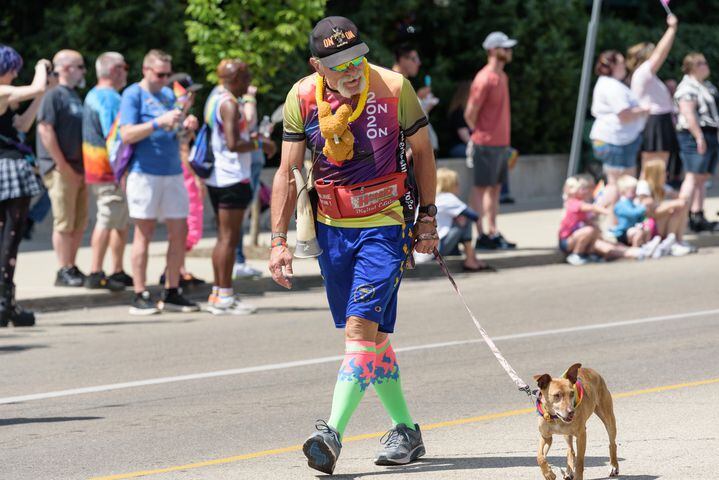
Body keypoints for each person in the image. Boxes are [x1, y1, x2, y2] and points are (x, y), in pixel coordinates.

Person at [269, 16, 437, 474]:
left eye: (357, 58)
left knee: (359, 333)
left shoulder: (394, 86)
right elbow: (287, 171)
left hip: (385, 226)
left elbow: (422, 152)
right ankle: (406, 429)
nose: (352, 70)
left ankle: (331, 434)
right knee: (375, 338)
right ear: (317, 65)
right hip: (330, 228)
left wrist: (427, 218)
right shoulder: (301, 97)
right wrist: (278, 241)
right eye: (340, 64)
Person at [118, 49, 200, 315]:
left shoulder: (167, 95)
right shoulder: (133, 94)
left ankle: (172, 290)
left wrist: (185, 125)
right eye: (160, 74)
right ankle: (140, 293)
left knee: (180, 231)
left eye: (168, 74)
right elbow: (127, 134)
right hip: (144, 173)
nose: (165, 79)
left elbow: (174, 133)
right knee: (144, 233)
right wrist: (157, 122)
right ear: (145, 70)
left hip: (172, 171)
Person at [204, 59, 275, 315]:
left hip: (219, 177)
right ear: (234, 80)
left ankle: (218, 294)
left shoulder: (215, 97)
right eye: (245, 78)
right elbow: (233, 144)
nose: (249, 83)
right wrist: (261, 144)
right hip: (232, 177)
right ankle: (224, 295)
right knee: (228, 238)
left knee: (224, 238)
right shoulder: (230, 104)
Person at [0, 45, 53, 326]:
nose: (14, 74)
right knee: (8, 238)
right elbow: (34, 87)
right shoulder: (0, 91)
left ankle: (7, 301)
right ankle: (4, 303)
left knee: (11, 237)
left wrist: (40, 91)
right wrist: (41, 68)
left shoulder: (7, 96)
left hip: (9, 168)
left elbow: (22, 122)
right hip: (6, 169)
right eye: (13, 69)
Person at [36, 49, 88, 287]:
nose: (83, 71)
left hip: (79, 168)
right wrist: (62, 165)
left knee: (78, 222)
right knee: (64, 221)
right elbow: (45, 130)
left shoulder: (74, 95)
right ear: (66, 68)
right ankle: (63, 269)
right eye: (79, 66)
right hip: (61, 169)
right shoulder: (53, 95)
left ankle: (72, 266)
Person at [82, 51, 131, 291]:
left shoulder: (94, 94)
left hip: (100, 168)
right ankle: (96, 271)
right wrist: (122, 171)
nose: (127, 72)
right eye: (124, 67)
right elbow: (115, 138)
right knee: (108, 217)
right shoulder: (109, 98)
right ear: (113, 70)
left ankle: (117, 270)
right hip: (108, 170)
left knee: (118, 220)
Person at [464, 31, 518, 250]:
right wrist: (479, 135)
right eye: (505, 48)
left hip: (500, 143)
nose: (509, 51)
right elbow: (470, 113)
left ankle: (493, 232)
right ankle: (479, 234)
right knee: (480, 188)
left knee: (495, 189)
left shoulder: (502, 76)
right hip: (484, 143)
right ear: (493, 50)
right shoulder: (484, 78)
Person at [589, 50, 650, 210]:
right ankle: (598, 214)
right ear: (614, 66)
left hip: (617, 140)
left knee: (621, 183)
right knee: (617, 184)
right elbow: (624, 114)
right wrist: (643, 110)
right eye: (622, 62)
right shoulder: (611, 86)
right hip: (615, 140)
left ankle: (614, 220)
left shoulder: (609, 84)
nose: (625, 66)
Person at [627, 14, 679, 171]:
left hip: (659, 120)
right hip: (655, 121)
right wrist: (672, 28)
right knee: (654, 168)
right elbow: (660, 53)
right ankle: (647, 196)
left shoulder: (644, 75)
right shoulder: (643, 72)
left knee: (657, 168)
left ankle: (651, 195)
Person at [674, 52, 719, 233]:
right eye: (702, 63)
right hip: (693, 134)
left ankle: (697, 215)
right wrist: (699, 136)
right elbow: (688, 113)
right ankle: (680, 217)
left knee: (702, 177)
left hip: (708, 132)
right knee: (692, 176)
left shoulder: (706, 86)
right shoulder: (687, 88)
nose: (706, 66)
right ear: (692, 67)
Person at [232, 84, 265, 279]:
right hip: (242, 168)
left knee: (239, 218)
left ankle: (238, 260)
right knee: (237, 218)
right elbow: (249, 121)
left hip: (250, 164)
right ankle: (237, 262)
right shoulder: (234, 101)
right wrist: (250, 98)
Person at [434, 168, 493, 271]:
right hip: (437, 248)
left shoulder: (435, 197)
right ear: (451, 184)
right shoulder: (448, 198)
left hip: (428, 247)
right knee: (466, 220)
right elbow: (474, 216)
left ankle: (472, 258)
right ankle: (471, 259)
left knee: (459, 218)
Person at [637, 158, 693, 256]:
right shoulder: (644, 186)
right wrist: (672, 204)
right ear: (656, 174)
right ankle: (670, 241)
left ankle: (677, 240)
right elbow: (651, 214)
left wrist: (683, 197)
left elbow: (679, 196)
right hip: (647, 225)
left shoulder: (662, 186)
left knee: (681, 206)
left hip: (658, 222)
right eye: (663, 172)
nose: (666, 174)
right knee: (676, 205)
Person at [558, 176, 608, 266]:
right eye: (582, 189)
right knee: (589, 230)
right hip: (566, 241)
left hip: (575, 236)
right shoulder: (572, 202)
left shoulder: (581, 203)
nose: (586, 191)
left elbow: (588, 217)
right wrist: (607, 211)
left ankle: (589, 253)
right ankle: (576, 254)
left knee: (594, 229)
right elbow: (591, 207)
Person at [611, 175, 652, 248]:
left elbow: (638, 217)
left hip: (632, 228)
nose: (635, 194)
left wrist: (644, 214)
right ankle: (635, 248)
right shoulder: (621, 205)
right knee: (638, 232)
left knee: (647, 229)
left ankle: (646, 246)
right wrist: (642, 207)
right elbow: (632, 214)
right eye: (633, 191)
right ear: (623, 191)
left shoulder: (632, 203)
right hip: (623, 232)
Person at [447, 81, 471, 158]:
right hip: (458, 146)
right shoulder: (459, 112)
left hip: (468, 146)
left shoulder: (468, 111)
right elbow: (463, 135)